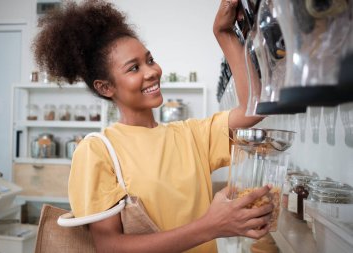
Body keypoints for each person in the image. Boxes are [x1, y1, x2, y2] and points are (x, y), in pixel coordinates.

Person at [33, 0, 273, 252]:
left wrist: (223, 34)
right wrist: (211, 226)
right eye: (134, 68)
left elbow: (252, 108)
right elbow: (111, 247)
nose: (151, 72)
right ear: (105, 87)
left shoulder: (190, 135)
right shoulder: (97, 151)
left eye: (150, 60)